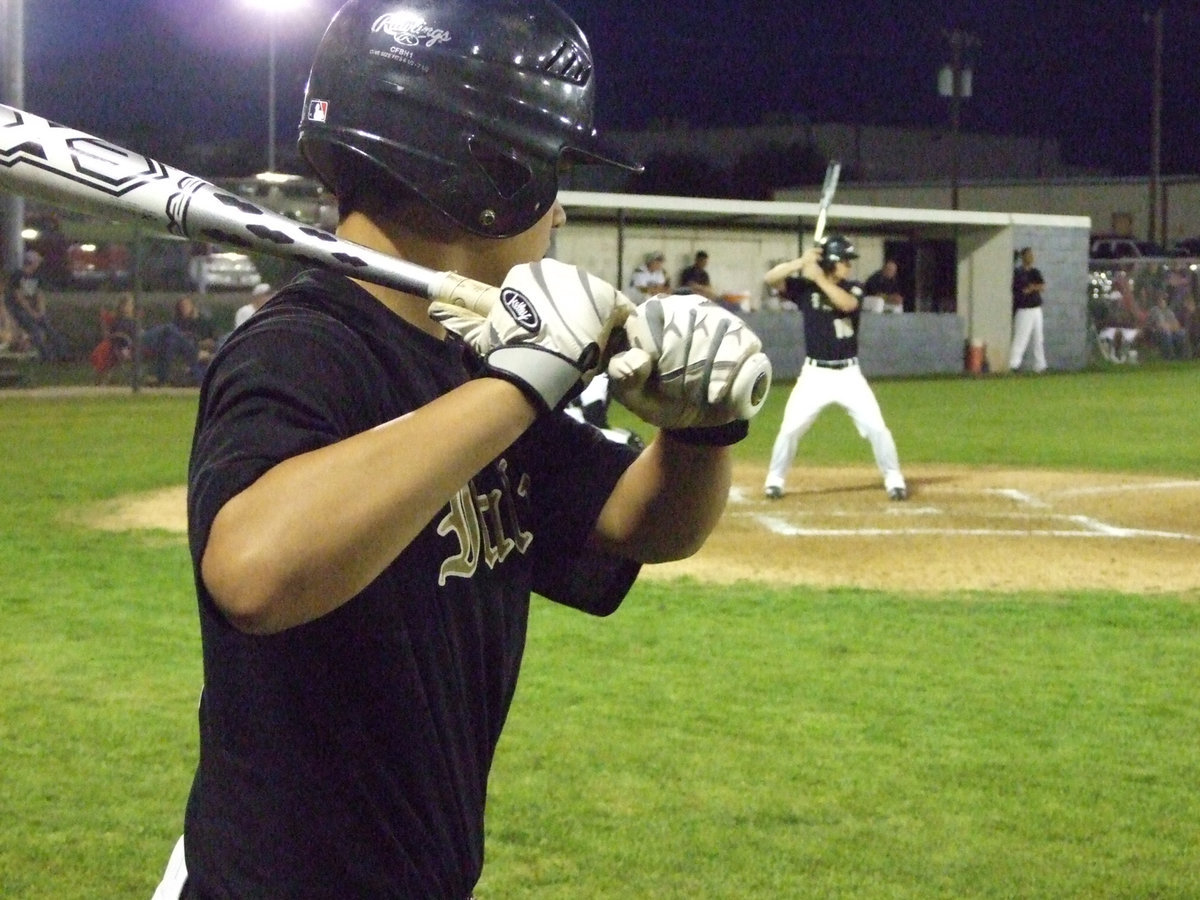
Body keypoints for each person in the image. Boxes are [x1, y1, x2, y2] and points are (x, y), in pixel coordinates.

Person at [150, 1, 764, 897]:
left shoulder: (466, 364)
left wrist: (700, 429)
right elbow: (255, 573)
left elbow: (644, 523)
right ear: (488, 174)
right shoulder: (301, 346)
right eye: (549, 173)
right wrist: (522, 383)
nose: (558, 209)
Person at [762, 235, 908, 502]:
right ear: (830, 262)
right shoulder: (804, 289)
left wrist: (818, 278)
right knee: (790, 429)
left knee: (877, 428)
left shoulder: (854, 288)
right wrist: (800, 262)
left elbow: (847, 304)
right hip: (814, 375)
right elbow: (770, 278)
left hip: (849, 375)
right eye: (844, 261)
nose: (848, 266)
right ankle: (775, 479)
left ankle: (894, 479)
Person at [3, 250, 69, 362]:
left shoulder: (36, 276)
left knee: (50, 329)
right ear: (31, 262)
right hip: (19, 309)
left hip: (33, 309)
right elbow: (19, 297)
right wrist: (31, 312)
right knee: (35, 331)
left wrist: (41, 310)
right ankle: (46, 356)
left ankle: (62, 354)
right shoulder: (17, 276)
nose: (38, 264)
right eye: (37, 262)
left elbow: (39, 294)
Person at [141, 295, 217, 386]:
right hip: (178, 349)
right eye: (181, 306)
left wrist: (198, 343)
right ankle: (194, 355)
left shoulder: (204, 322)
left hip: (190, 349)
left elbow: (213, 341)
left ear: (192, 307)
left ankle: (163, 378)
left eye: (186, 306)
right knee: (170, 334)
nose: (183, 308)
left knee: (170, 334)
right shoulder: (177, 322)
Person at [1009, 246, 1048, 373]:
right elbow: (1022, 291)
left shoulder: (1035, 272)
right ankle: (1013, 364)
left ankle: (1040, 365)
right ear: (1023, 257)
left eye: (1032, 255)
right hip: (1024, 309)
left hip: (1036, 309)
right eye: (1028, 255)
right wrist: (1032, 288)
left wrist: (1032, 288)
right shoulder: (1018, 273)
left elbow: (1042, 286)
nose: (1031, 257)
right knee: (1021, 338)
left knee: (1039, 338)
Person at [1147, 293, 1190, 359]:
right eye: (1161, 299)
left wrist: (1169, 326)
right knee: (1167, 333)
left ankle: (1182, 355)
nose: (1163, 301)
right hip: (1156, 333)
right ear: (1157, 301)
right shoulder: (1155, 310)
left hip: (1170, 331)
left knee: (1182, 333)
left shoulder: (1169, 311)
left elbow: (1177, 325)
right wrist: (1170, 326)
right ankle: (1169, 356)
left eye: (1164, 299)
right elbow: (1160, 325)